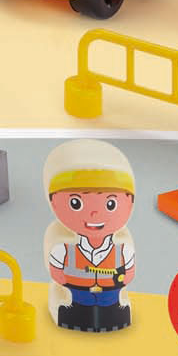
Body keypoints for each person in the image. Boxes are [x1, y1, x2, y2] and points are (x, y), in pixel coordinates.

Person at [44, 140, 137, 333]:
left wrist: (119, 278)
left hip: (113, 302)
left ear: (129, 203)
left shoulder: (123, 247)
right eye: (76, 203)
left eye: (110, 204)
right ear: (53, 201)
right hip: (75, 300)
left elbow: (129, 272)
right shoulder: (62, 247)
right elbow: (56, 271)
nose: (94, 214)